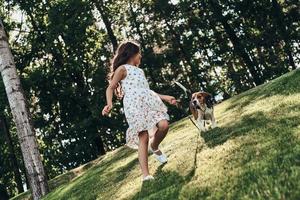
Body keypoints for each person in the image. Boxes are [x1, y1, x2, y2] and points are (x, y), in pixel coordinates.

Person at [102, 41, 177, 181]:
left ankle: (154, 146)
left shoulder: (140, 71)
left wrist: (166, 97)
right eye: (139, 53)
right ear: (132, 53)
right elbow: (110, 88)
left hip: (148, 102)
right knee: (143, 136)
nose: (140, 56)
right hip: (133, 106)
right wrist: (109, 104)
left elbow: (146, 91)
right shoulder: (122, 69)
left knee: (164, 125)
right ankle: (146, 175)